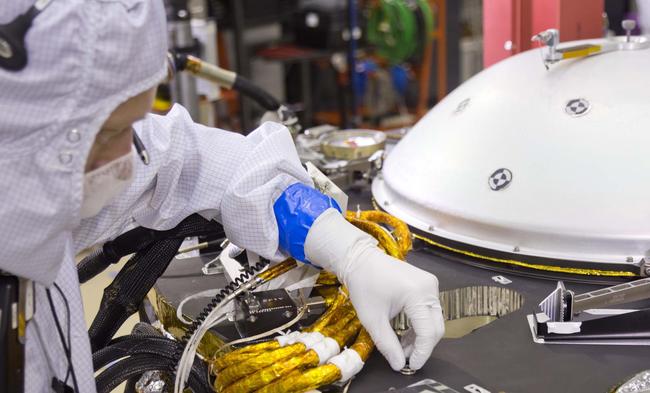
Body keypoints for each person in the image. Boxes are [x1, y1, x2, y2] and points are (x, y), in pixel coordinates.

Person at [0, 1, 444, 392]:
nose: (129, 156)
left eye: (135, 125)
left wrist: (348, 249)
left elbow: (194, 162)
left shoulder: (28, 166)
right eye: (110, 133)